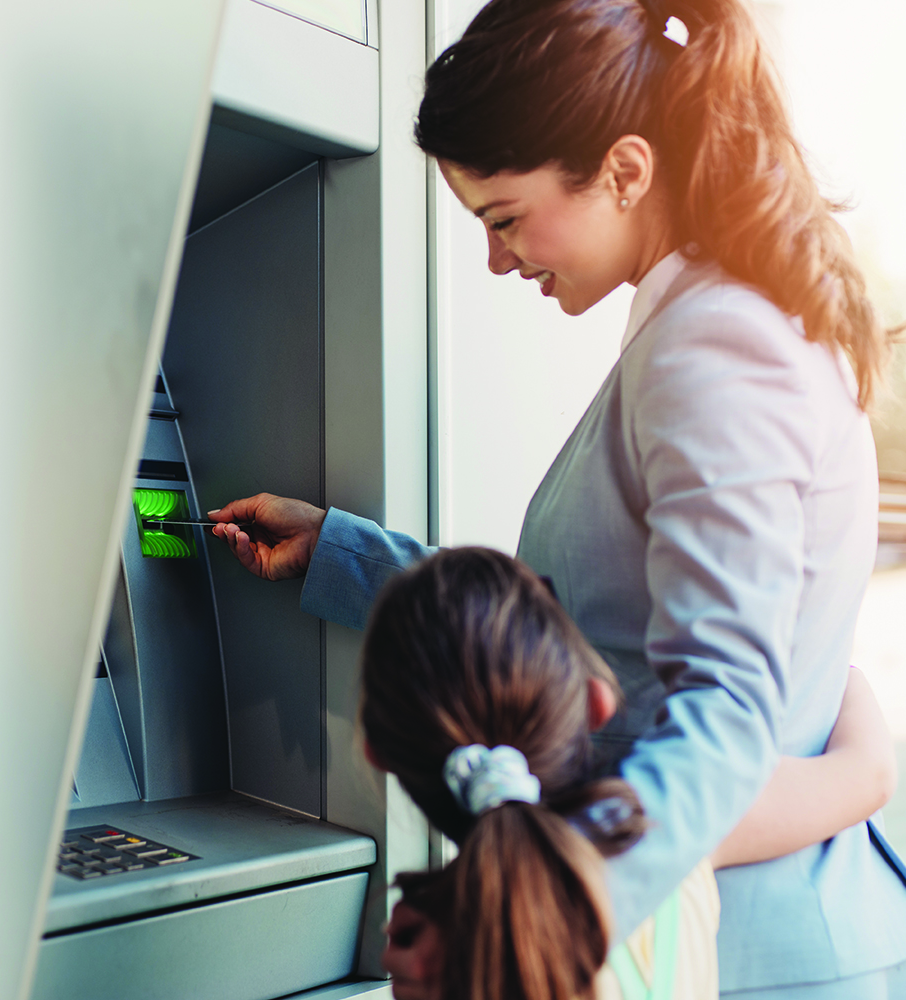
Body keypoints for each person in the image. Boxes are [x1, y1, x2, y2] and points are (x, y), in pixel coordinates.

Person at [208, 0, 906, 994]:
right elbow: (570, 622)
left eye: (503, 219)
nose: (498, 259)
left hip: (750, 959)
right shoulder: (702, 326)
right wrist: (343, 551)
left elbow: (724, 709)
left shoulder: (714, 348)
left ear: (624, 171)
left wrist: (537, 911)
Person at [357, 546, 893, 1000]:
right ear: (597, 702)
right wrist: (825, 664)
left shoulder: (423, 952)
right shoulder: (677, 839)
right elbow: (867, 771)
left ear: (375, 750)